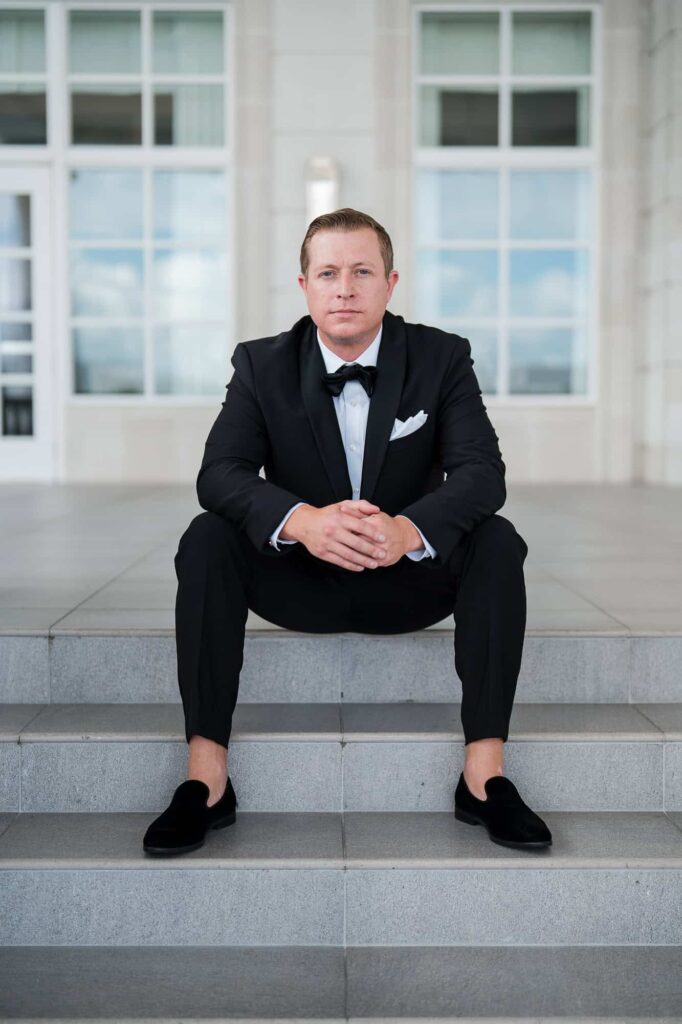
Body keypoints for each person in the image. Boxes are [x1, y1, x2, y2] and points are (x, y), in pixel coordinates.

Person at [143, 208, 552, 857]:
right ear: (303, 286)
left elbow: (483, 472)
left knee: (497, 539)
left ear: (391, 283)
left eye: (362, 271)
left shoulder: (443, 357)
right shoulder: (261, 364)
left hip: (408, 582)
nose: (345, 287)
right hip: (299, 581)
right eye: (328, 272)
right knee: (206, 537)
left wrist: (406, 529)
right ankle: (206, 779)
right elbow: (219, 474)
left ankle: (484, 776)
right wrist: (302, 522)